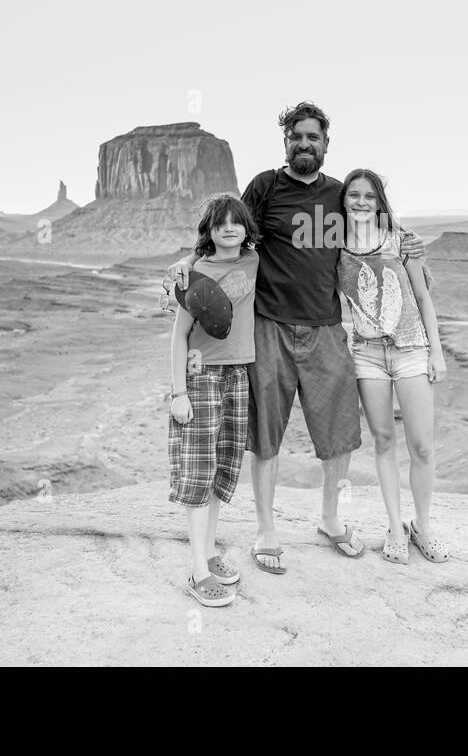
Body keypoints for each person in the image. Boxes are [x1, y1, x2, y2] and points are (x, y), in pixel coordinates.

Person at [168, 102, 425, 574]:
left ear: (326, 143)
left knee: (339, 435)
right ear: (285, 141)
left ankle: (329, 519)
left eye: (314, 137)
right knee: (265, 436)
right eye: (296, 136)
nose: (304, 144)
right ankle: (266, 530)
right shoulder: (265, 187)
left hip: (327, 328)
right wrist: (188, 263)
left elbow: (376, 225)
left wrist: (408, 241)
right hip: (269, 327)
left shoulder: (338, 193)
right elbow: (231, 236)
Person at [337, 169, 448, 564]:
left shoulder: (401, 241)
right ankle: (395, 526)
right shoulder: (335, 248)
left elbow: (422, 297)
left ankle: (423, 526)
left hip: (411, 350)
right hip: (367, 353)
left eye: (369, 196)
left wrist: (436, 352)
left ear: (379, 201)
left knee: (421, 445)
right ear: (344, 201)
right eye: (354, 195)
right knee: (383, 442)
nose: (362, 202)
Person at [167, 193, 260, 606]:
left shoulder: (255, 261)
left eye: (235, 221)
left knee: (223, 465)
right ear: (208, 231)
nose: (228, 228)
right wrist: (178, 393)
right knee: (199, 470)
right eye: (219, 223)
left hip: (238, 375)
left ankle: (209, 550)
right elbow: (178, 337)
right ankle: (197, 570)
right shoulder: (195, 274)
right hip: (200, 377)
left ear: (246, 228)